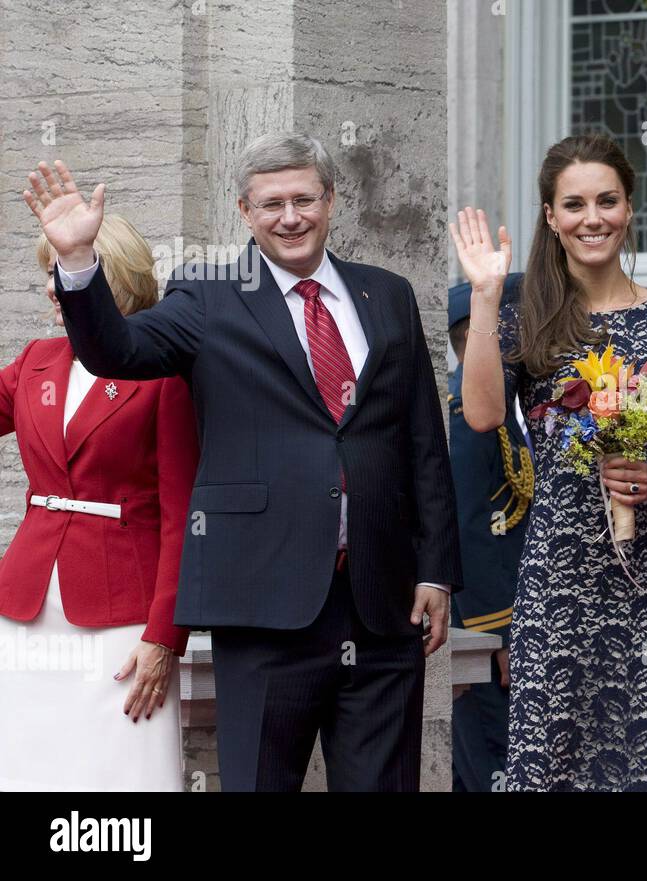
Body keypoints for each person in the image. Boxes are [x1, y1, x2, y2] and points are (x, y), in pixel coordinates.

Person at [23, 132, 463, 792]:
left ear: (331, 199)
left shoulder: (387, 294)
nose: (290, 216)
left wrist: (435, 568)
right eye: (271, 204)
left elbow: (422, 439)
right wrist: (79, 260)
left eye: (304, 198)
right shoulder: (207, 294)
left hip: (381, 604)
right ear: (244, 211)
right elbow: (118, 351)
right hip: (263, 603)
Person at [452, 134, 647, 791]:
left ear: (628, 208)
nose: (591, 217)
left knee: (645, 760)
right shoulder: (529, 316)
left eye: (607, 200)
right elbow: (482, 412)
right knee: (551, 762)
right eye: (574, 204)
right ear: (551, 216)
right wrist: (486, 295)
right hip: (557, 574)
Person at [0, 216, 199, 791]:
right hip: (27, 611)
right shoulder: (37, 358)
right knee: (26, 763)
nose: (49, 288)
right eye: (49, 272)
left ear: (109, 279)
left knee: (121, 774)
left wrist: (164, 636)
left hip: (124, 620)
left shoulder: (166, 372)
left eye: (61, 271)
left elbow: (182, 516)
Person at [447, 272, 531, 791]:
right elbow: (467, 526)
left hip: (516, 615)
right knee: (491, 761)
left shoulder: (507, 402)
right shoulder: (465, 409)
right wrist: (493, 634)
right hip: (488, 628)